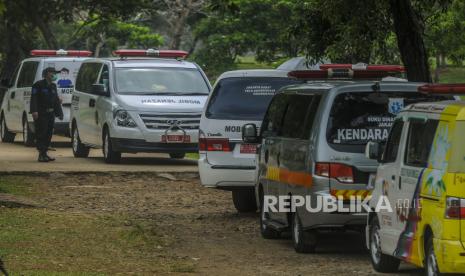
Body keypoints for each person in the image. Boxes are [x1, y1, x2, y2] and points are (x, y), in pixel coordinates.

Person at [30, 67, 63, 162]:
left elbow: (56, 100)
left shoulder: (53, 86)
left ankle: (45, 154)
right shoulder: (38, 85)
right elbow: (34, 98)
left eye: (55, 73)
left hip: (50, 113)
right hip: (41, 113)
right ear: (47, 73)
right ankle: (41, 154)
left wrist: (59, 113)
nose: (54, 74)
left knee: (49, 133)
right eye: (52, 72)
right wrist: (34, 111)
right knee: (41, 133)